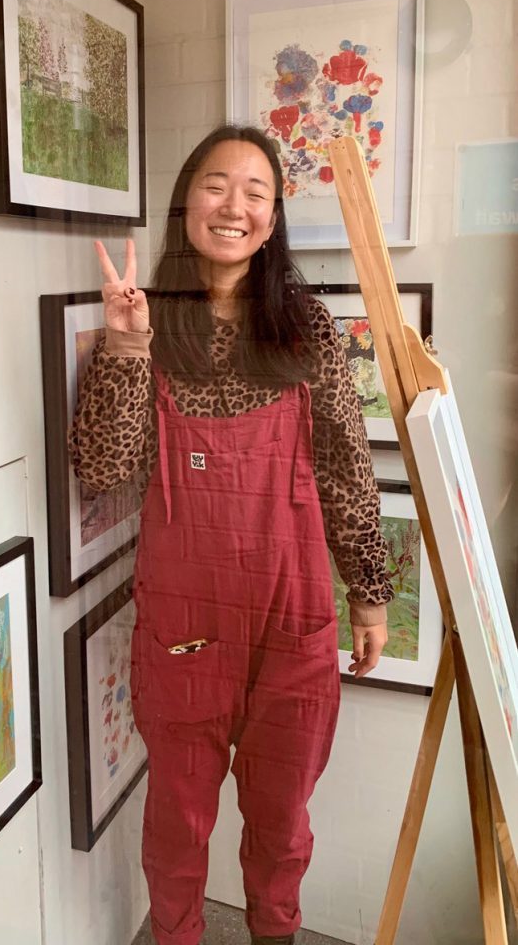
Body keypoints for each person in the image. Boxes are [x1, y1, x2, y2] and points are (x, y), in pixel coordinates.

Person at [70, 125, 392, 945]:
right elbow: (104, 468)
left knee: (282, 823)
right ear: (186, 201)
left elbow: (346, 466)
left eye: (256, 192)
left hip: (292, 619)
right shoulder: (151, 328)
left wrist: (370, 594)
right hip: (184, 622)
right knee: (178, 823)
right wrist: (125, 344)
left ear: (273, 217)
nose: (234, 206)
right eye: (217, 185)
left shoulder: (305, 327)